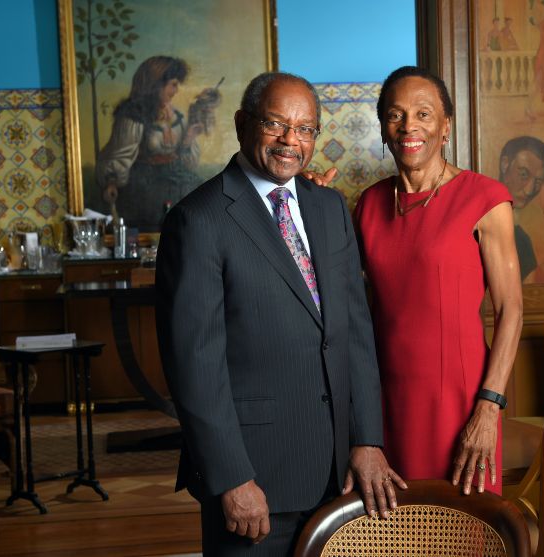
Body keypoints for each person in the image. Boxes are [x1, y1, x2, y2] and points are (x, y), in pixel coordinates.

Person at [155, 72, 405, 556]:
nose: (292, 139)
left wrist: (368, 440)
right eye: (276, 123)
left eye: (306, 128)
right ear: (242, 123)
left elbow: (354, 334)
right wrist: (232, 479)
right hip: (255, 480)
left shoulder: (329, 208)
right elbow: (194, 367)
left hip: (339, 473)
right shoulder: (198, 220)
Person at [353, 66, 523, 495]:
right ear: (383, 127)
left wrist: (489, 409)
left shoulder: (485, 198)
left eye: (424, 114)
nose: (409, 126)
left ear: (446, 125)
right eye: (396, 114)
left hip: (462, 403)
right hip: (388, 401)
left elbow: (511, 310)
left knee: (462, 531)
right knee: (397, 534)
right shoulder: (369, 205)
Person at [96, 56, 207, 231]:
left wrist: (189, 139)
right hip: (145, 181)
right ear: (156, 86)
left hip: (176, 175)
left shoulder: (177, 116)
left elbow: (187, 159)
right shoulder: (133, 116)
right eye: (173, 84)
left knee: (201, 197)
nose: (176, 90)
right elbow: (121, 154)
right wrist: (112, 181)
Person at [498, 136, 544, 280]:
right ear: (505, 164)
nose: (529, 190)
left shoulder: (522, 241)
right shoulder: (476, 220)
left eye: (538, 181)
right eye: (523, 175)